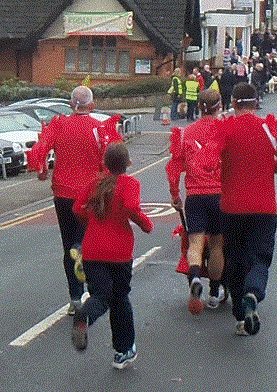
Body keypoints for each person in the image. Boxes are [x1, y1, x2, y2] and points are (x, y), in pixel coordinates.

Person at [205, 82, 277, 336]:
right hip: (264, 208)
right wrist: (266, 166)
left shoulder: (226, 129)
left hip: (231, 208)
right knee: (260, 258)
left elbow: (207, 164)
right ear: (256, 103)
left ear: (232, 103)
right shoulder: (269, 129)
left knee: (236, 261)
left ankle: (241, 317)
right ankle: (254, 294)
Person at [28, 86, 124, 316]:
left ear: (72, 104)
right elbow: (108, 158)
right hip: (90, 193)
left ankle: (75, 298)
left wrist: (41, 169)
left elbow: (41, 148)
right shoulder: (99, 128)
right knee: (86, 241)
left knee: (67, 243)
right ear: (91, 105)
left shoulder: (59, 125)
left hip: (62, 192)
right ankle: (83, 259)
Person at [71, 143, 153, 368]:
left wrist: (93, 224)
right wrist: (146, 225)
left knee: (99, 296)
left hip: (92, 249)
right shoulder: (130, 183)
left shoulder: (94, 184)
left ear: (105, 163)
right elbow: (130, 207)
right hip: (118, 252)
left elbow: (78, 208)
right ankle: (123, 350)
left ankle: (85, 316)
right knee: (120, 298)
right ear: (128, 163)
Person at [166, 89, 226, 314]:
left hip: (195, 196)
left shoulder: (186, 132)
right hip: (220, 194)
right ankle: (214, 293)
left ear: (199, 107)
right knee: (218, 244)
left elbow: (174, 167)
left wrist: (175, 195)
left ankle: (194, 277)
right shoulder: (225, 131)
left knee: (195, 244)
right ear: (219, 105)